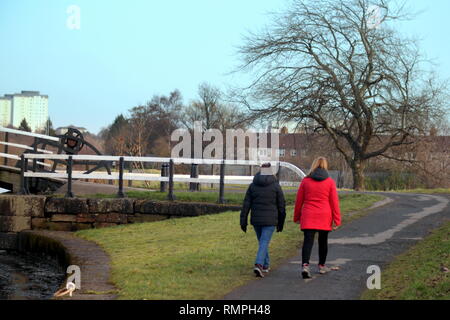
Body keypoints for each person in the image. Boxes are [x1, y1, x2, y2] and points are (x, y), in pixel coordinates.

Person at [293, 157, 341, 279]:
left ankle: (305, 265)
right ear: (325, 166)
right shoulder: (330, 182)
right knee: (323, 241)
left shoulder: (305, 181)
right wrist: (337, 219)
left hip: (309, 214)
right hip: (324, 215)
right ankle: (321, 266)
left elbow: (299, 201)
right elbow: (334, 202)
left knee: (308, 241)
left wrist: (297, 216)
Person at [240, 163, 286, 278]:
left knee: (262, 242)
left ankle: (265, 265)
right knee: (264, 242)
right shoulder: (275, 186)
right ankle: (259, 264)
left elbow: (246, 205)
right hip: (270, 220)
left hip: (256, 220)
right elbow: (281, 206)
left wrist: (243, 220)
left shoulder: (253, 185)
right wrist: (281, 222)